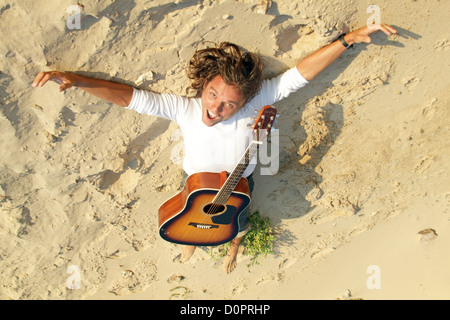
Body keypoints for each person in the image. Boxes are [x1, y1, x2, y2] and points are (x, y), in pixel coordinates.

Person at [32, 23, 397, 273]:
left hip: (241, 184)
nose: (215, 109)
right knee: (188, 215)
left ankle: (234, 242)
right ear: (204, 83)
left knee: (235, 221)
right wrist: (76, 80)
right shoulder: (185, 109)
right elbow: (131, 98)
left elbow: (299, 76)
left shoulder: (258, 101)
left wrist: (347, 39)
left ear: (246, 102)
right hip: (197, 184)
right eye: (212, 95)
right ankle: (189, 239)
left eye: (229, 105)